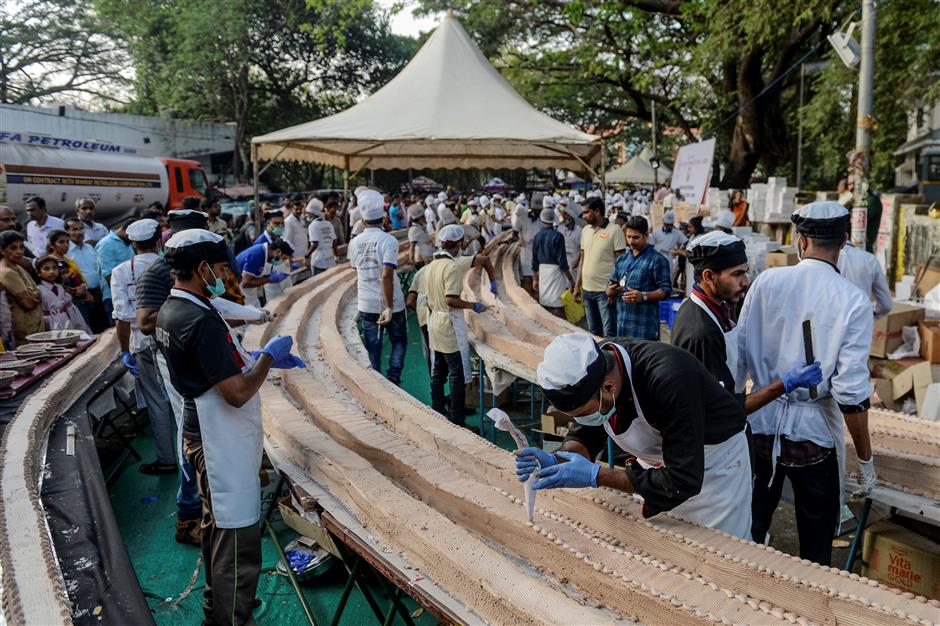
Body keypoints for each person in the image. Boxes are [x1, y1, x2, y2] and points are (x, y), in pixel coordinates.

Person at [156, 228, 303, 625]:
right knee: (236, 536)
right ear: (202, 268)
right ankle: (230, 617)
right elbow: (236, 393)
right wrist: (268, 359)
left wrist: (249, 356)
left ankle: (216, 606)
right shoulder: (197, 318)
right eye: (221, 269)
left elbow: (212, 364)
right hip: (217, 440)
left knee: (216, 528)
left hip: (201, 431)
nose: (225, 277)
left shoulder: (174, 307)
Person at [736, 201, 876, 565]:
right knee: (816, 544)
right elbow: (851, 393)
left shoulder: (767, 281)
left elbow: (739, 355)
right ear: (844, 240)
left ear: (800, 240)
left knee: (748, 529)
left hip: (760, 424)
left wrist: (736, 413)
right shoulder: (852, 301)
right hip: (813, 439)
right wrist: (865, 459)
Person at [516, 333, 753, 538]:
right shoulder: (599, 368)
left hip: (716, 467)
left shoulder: (669, 379)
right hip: (661, 466)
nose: (582, 420)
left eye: (585, 413)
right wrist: (559, 460)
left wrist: (596, 475)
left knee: (716, 552)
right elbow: (587, 432)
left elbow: (683, 480)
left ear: (609, 388)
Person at [672, 231, 822, 414]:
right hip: (713, 438)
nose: (746, 281)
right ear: (709, 276)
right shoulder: (702, 332)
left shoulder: (712, 306)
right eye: (737, 274)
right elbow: (723, 409)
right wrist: (784, 384)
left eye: (746, 271)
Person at [111, 219, 177, 474]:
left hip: (142, 343)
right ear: (159, 241)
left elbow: (122, 318)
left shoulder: (121, 271)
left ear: (132, 243)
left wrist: (125, 351)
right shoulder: (169, 264)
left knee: (156, 401)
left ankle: (166, 459)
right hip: (175, 335)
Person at [425, 224, 495, 429]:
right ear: (458, 243)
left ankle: (438, 408)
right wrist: (474, 305)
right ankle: (457, 420)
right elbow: (451, 300)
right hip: (449, 324)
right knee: (456, 375)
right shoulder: (452, 267)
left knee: (438, 371)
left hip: (435, 321)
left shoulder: (431, 265)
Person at [347, 189, 408, 384]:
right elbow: (386, 276)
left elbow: (355, 267)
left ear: (363, 220)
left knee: (373, 346)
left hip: (367, 303)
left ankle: (377, 383)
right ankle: (393, 378)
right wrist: (389, 307)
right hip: (391, 302)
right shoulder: (388, 240)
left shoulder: (355, 242)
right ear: (383, 218)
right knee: (399, 340)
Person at [606, 216, 670, 340]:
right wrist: (610, 291)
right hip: (622, 327)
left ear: (646, 235)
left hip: (645, 329)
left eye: (635, 237)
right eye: (628, 237)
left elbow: (665, 290)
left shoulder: (657, 260)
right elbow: (611, 284)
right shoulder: (622, 260)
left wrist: (643, 296)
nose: (631, 241)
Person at [575, 197, 626, 337]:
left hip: (605, 292)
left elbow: (621, 263)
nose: (584, 216)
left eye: (586, 213)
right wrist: (577, 286)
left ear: (597, 211)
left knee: (610, 332)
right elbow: (583, 259)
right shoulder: (585, 230)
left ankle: (611, 358)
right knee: (593, 331)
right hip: (586, 290)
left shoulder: (615, 231)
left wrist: (614, 289)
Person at [0, 231, 45, 344]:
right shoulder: (6, 272)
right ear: (2, 250)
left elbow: (37, 292)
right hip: (24, 330)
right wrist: (35, 294)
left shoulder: (18, 267)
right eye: (13, 248)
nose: (19, 251)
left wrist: (34, 294)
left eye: (21, 247)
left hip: (34, 325)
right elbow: (28, 303)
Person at [532, 208, 574, 318]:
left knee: (545, 302)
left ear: (541, 219)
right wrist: (570, 279)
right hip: (556, 272)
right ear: (553, 219)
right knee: (557, 304)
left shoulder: (537, 236)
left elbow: (534, 261)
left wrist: (535, 279)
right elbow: (562, 262)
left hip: (543, 272)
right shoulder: (558, 236)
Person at [837, 241, 893, 320]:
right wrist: (870, 312)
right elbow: (886, 304)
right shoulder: (869, 259)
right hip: (861, 323)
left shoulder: (821, 261)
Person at [35, 255, 90, 332]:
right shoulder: (38, 289)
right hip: (50, 322)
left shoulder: (59, 287)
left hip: (65, 320)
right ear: (38, 273)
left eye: (54, 268)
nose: (51, 272)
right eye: (46, 269)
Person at [96, 219, 135, 321]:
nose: (132, 240)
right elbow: (108, 274)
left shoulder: (126, 241)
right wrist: (120, 296)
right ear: (124, 230)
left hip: (131, 294)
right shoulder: (106, 244)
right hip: (114, 297)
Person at [235, 239, 292, 308]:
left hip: (249, 292)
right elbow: (245, 283)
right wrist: (269, 279)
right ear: (278, 251)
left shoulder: (266, 254)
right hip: (239, 291)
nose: (282, 261)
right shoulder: (257, 255)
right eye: (283, 258)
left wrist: (268, 276)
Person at [513, 199, 544, 296]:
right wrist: (519, 240)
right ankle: (528, 296)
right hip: (525, 249)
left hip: (539, 249)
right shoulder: (522, 217)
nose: (537, 212)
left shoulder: (542, 219)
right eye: (536, 210)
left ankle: (536, 297)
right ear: (532, 208)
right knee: (526, 276)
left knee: (537, 275)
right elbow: (514, 233)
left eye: (539, 210)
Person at [405, 263, 432, 373]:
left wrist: (420, 311)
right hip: (442, 317)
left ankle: (434, 384)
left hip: (424, 318)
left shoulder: (421, 272)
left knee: (431, 351)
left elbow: (409, 301)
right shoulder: (450, 267)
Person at [305, 199, 337, 276]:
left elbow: (315, 244)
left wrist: (307, 256)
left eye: (308, 213)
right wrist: (336, 255)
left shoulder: (313, 226)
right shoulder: (328, 224)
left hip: (318, 260)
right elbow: (334, 241)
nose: (307, 215)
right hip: (330, 258)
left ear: (312, 214)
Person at [560, 204, 582, 281]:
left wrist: (577, 261)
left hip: (575, 261)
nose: (564, 218)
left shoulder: (579, 230)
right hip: (563, 260)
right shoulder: (560, 228)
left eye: (566, 216)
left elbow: (582, 249)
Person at [283, 197, 308, 266]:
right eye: (296, 209)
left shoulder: (302, 219)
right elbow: (287, 240)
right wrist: (291, 257)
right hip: (295, 257)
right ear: (291, 209)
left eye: (300, 209)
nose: (299, 211)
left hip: (304, 254)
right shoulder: (288, 222)